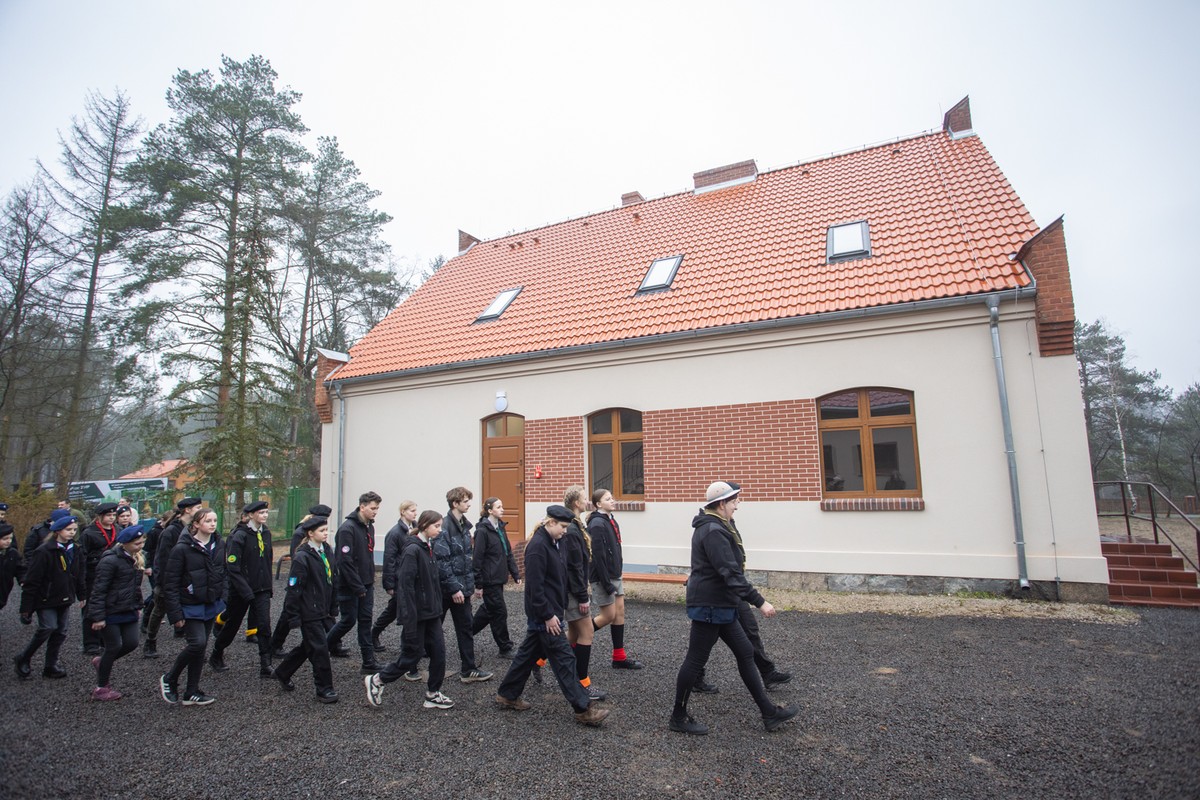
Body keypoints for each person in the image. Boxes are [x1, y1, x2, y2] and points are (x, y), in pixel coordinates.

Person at [668, 481, 798, 735]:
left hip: (721, 605)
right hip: (709, 606)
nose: (737, 505)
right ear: (721, 503)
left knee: (746, 652)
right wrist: (759, 601)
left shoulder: (717, 526)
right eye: (734, 501)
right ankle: (678, 716)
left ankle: (769, 712)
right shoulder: (713, 531)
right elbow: (729, 572)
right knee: (694, 661)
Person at [494, 505, 610, 727]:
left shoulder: (556, 542)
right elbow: (535, 588)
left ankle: (507, 694)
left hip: (551, 612)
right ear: (550, 523)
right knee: (564, 660)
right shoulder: (538, 547)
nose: (565, 531)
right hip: (545, 616)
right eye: (563, 527)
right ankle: (583, 708)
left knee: (526, 656)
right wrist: (548, 615)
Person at [364, 510, 455, 710]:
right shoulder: (412, 551)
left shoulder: (428, 547)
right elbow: (405, 588)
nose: (440, 530)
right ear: (424, 526)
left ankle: (433, 693)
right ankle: (378, 680)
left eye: (440, 526)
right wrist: (408, 619)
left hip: (431, 613)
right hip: (417, 616)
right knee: (411, 656)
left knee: (439, 653)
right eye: (436, 526)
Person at [159, 507, 225, 706]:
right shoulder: (182, 548)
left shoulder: (219, 545)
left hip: (209, 603)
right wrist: (175, 612)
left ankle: (192, 691)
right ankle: (170, 678)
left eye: (214, 520)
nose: (213, 524)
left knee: (202, 646)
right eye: (208, 521)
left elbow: (224, 573)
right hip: (189, 604)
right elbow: (170, 582)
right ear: (196, 524)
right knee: (197, 643)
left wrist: (224, 598)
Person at [275, 516, 339, 704]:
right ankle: (324, 688)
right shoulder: (302, 556)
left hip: (323, 608)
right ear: (310, 533)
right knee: (319, 648)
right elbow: (294, 589)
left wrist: (333, 605)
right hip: (308, 610)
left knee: (309, 645)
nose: (326, 533)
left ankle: (283, 671)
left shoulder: (325, 550)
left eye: (327, 530)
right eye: (322, 531)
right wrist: (293, 615)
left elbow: (332, 578)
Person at [14, 515, 85, 680]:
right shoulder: (44, 551)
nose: (72, 533)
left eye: (74, 530)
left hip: (65, 596)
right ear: (58, 531)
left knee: (61, 631)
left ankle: (50, 665)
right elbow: (32, 580)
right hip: (46, 597)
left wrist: (82, 594)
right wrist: (26, 609)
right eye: (68, 530)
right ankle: (24, 657)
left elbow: (80, 574)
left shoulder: (76, 549)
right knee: (48, 627)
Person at [209, 500, 275, 677]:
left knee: (264, 625)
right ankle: (217, 653)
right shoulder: (240, 536)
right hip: (241, 590)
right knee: (232, 624)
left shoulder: (266, 533)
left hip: (261, 588)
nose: (264, 516)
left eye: (266, 512)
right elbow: (233, 567)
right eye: (261, 513)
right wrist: (245, 591)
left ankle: (265, 664)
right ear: (251, 515)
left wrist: (268, 586)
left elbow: (267, 561)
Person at [435, 486, 491, 683]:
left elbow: (467, 559)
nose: (469, 504)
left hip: (462, 590)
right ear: (455, 504)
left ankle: (469, 669)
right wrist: (454, 588)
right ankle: (409, 664)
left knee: (466, 628)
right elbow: (442, 562)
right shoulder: (443, 527)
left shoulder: (465, 526)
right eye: (465, 501)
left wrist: (472, 585)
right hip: (446, 591)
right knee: (430, 628)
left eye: (469, 500)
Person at [86, 524, 148, 701]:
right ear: (125, 543)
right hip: (110, 611)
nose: (140, 546)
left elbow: (135, 588)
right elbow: (98, 590)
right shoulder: (110, 561)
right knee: (113, 646)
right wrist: (97, 616)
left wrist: (137, 606)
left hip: (127, 609)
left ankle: (103, 661)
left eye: (142, 542)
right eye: (137, 543)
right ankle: (101, 687)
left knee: (131, 643)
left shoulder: (135, 558)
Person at [327, 491, 381, 674]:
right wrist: (357, 586)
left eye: (377, 508)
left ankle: (368, 662)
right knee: (348, 620)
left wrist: (368, 581)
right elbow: (344, 561)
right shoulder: (347, 529)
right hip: (350, 586)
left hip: (366, 583)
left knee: (365, 621)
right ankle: (320, 648)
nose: (375, 512)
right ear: (362, 506)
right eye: (373, 508)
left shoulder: (369, 527)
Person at [269, 503, 333, 657]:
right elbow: (296, 554)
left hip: (317, 580)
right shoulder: (301, 533)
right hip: (302, 579)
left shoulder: (319, 536)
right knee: (288, 613)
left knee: (323, 615)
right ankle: (275, 644)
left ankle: (333, 643)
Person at [588, 489, 642, 669]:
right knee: (608, 616)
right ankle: (572, 640)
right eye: (608, 499)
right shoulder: (596, 524)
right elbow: (598, 557)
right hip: (603, 577)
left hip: (614, 574)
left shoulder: (611, 520)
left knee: (619, 614)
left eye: (612, 497)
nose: (613, 500)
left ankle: (619, 657)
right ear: (598, 504)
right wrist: (606, 583)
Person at [143, 496, 203, 658]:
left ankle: (194, 646)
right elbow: (162, 559)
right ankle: (150, 640)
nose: (201, 510)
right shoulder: (171, 531)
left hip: (188, 578)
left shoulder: (195, 529)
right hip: (169, 578)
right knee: (159, 609)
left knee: (190, 611)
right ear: (187, 510)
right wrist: (163, 582)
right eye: (198, 508)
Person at [562, 486, 605, 701]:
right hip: (573, 591)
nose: (588, 501)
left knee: (573, 633)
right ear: (576, 503)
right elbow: (574, 566)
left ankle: (538, 661)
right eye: (585, 499)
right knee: (586, 632)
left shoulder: (576, 525)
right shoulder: (571, 529)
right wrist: (582, 596)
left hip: (574, 589)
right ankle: (582, 683)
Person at [471, 497, 520, 659]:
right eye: (498, 507)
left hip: (498, 578)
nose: (502, 509)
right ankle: (505, 647)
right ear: (490, 510)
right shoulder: (482, 531)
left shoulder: (500, 527)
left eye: (502, 506)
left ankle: (466, 633)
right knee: (499, 612)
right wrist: (478, 584)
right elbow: (477, 559)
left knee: (489, 609)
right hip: (489, 579)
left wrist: (515, 573)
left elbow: (507, 552)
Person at [369, 500, 418, 653]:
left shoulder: (415, 529)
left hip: (410, 578)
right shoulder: (395, 533)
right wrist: (389, 583)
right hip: (399, 578)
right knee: (394, 609)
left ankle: (414, 642)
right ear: (403, 512)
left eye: (415, 510)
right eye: (411, 510)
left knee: (404, 609)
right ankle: (375, 633)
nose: (415, 513)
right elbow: (389, 559)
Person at [79, 502, 119, 655]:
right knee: (92, 607)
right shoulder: (89, 533)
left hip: (112, 573)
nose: (111, 518)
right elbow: (82, 556)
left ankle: (105, 639)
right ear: (100, 516)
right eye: (108, 515)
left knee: (110, 605)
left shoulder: (118, 530)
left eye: (113, 515)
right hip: (93, 574)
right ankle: (90, 642)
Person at [0, 522, 28, 653]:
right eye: (4, 539)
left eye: (10, 538)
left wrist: (23, 581)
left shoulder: (12, 554)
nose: (8, 541)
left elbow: (20, 569)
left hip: (3, 592)